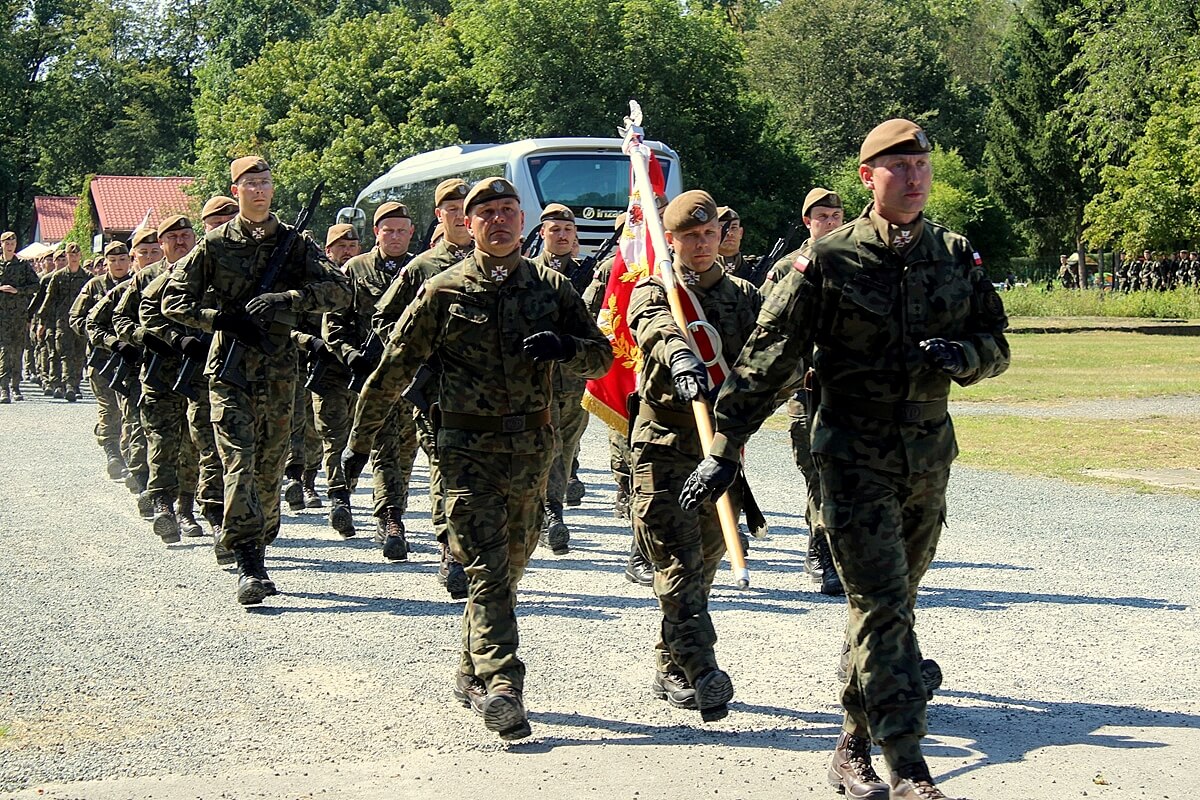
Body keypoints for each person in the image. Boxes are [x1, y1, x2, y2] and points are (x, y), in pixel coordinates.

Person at [680, 119, 1010, 800]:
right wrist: (725, 447)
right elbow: (768, 359)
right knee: (884, 603)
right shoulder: (828, 260)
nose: (914, 177)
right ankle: (909, 765)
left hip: (926, 459)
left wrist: (969, 357)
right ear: (868, 177)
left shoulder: (955, 256)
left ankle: (850, 745)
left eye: (921, 164)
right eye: (898, 167)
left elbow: (996, 340)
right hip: (851, 458)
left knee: (887, 607)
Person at [344, 177, 611, 740]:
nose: (499, 221)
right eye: (486, 213)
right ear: (468, 223)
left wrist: (568, 349)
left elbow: (602, 357)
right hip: (465, 451)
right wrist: (358, 445)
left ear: (522, 219)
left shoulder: (552, 288)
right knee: (487, 569)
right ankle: (503, 686)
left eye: (508, 210)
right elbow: (392, 370)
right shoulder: (442, 290)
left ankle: (469, 671)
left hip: (533, 451)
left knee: (511, 566)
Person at [162, 156, 351, 606]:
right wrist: (220, 319)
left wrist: (287, 298)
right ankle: (250, 562)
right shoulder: (214, 245)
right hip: (229, 370)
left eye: (266, 183)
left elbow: (340, 291)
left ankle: (258, 538)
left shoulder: (294, 243)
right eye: (250, 184)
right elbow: (172, 299)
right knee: (239, 463)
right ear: (236, 190)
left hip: (280, 372)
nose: (260, 191)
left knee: (269, 468)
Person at [626, 189, 759, 723]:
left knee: (700, 568)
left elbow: (762, 360)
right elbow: (654, 326)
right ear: (672, 240)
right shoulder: (653, 288)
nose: (701, 245)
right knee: (677, 566)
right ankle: (703, 672)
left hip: (721, 451)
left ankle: (670, 664)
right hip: (663, 446)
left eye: (709, 234)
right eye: (689, 236)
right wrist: (681, 357)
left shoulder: (743, 295)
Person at [362, 177, 474, 597]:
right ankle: (451, 550)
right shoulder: (423, 267)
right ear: (439, 216)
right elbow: (383, 318)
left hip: (488, 390)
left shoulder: (500, 260)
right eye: (451, 209)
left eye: (466, 207)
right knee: (445, 466)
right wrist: (416, 360)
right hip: (437, 389)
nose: (460, 216)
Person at [763, 188, 847, 596]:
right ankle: (821, 549)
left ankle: (829, 547)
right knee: (817, 471)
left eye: (836, 216)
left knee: (842, 475)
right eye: (822, 217)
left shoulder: (856, 262)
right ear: (807, 222)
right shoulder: (787, 270)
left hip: (848, 391)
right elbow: (770, 335)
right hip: (806, 390)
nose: (830, 223)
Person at [331, 201, 419, 558]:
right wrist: (348, 353)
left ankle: (390, 509)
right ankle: (390, 516)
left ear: (411, 232)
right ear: (376, 233)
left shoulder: (420, 269)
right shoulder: (355, 269)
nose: (395, 237)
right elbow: (334, 321)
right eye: (388, 230)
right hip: (372, 377)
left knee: (406, 450)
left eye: (401, 230)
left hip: (412, 376)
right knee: (382, 445)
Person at [112, 215, 206, 543]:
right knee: (162, 441)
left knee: (193, 445)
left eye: (185, 235)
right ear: (161, 244)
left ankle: (186, 508)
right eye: (173, 237)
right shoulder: (147, 278)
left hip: (198, 375)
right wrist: (143, 337)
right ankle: (163, 504)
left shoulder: (206, 275)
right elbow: (120, 318)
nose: (180, 242)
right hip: (159, 375)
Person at [531, 203, 592, 554]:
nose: (563, 235)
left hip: (574, 379)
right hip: (539, 379)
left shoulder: (590, 272)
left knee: (566, 449)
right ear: (543, 234)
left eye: (568, 230)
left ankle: (552, 510)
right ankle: (545, 512)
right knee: (542, 449)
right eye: (555, 230)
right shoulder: (528, 273)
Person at [71, 242, 134, 478]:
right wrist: (98, 335)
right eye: (113, 260)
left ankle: (129, 454)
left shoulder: (138, 282)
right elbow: (76, 318)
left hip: (130, 359)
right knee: (109, 408)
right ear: (105, 262)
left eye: (122, 259)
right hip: (102, 359)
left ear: (129, 260)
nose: (118, 265)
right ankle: (112, 453)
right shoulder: (94, 286)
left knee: (130, 411)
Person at [0, 231, 39, 404]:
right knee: (3, 351)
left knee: (16, 351)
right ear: (1, 244)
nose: (10, 246)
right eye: (7, 243)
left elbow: (36, 285)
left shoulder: (23, 265)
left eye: (13, 243)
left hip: (17, 315)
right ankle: (3, 388)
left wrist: (18, 291)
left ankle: (15, 386)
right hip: (1, 315)